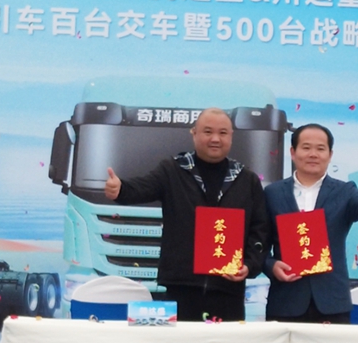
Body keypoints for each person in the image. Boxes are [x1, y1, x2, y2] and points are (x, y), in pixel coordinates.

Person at [104, 107, 269, 321]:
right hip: (180, 287)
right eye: (208, 132)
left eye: (222, 133)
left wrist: (249, 264)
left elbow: (260, 229)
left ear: (231, 136)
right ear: (194, 133)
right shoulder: (172, 170)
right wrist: (120, 190)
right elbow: (143, 188)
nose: (215, 139)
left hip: (228, 289)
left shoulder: (247, 180)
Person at [263, 123, 358, 324]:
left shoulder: (344, 192)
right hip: (285, 302)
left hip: (332, 304)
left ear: (330, 155)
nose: (313, 154)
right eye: (306, 147)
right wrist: (271, 265)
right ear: (293, 152)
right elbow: (259, 242)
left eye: (320, 149)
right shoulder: (273, 193)